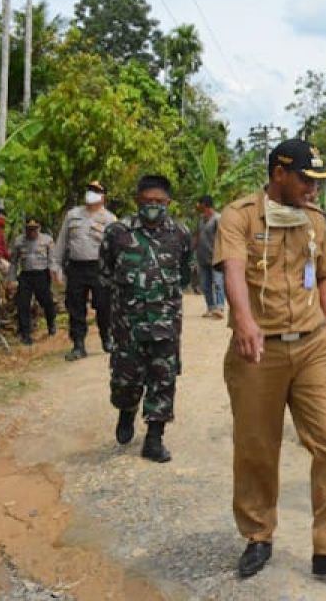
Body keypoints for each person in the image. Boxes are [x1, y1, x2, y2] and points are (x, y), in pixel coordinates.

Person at [217, 138, 326, 582]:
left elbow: (325, 272)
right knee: (256, 446)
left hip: (311, 346)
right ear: (279, 174)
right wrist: (244, 322)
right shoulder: (240, 215)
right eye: (307, 180)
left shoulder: (316, 221)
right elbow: (232, 272)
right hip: (258, 350)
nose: (314, 189)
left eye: (318, 182)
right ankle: (258, 535)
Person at [99, 175, 193, 463]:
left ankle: (154, 438)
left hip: (165, 326)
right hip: (128, 327)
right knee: (124, 384)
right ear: (137, 201)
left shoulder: (180, 234)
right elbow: (104, 275)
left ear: (168, 203)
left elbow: (185, 276)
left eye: (159, 202)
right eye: (147, 201)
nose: (153, 206)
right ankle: (126, 412)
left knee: (162, 380)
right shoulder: (117, 233)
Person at [53, 181, 117, 360]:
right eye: (89, 190)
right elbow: (61, 242)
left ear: (103, 196)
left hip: (99, 267)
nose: (91, 194)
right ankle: (78, 344)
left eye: (96, 191)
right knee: (75, 306)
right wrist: (55, 266)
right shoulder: (72, 215)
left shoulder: (110, 219)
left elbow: (115, 248)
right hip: (76, 267)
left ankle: (106, 338)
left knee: (104, 305)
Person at [6, 217, 59, 345]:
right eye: (29, 229)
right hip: (26, 276)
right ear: (25, 229)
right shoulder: (19, 241)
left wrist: (54, 273)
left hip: (42, 274)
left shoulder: (47, 240)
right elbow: (13, 262)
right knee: (22, 303)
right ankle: (25, 334)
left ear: (39, 228)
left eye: (34, 229)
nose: (32, 232)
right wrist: (11, 279)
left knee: (47, 302)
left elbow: (52, 259)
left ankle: (51, 323)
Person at [193, 195, 225, 319]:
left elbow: (223, 237)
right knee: (205, 285)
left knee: (218, 283)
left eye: (199, 203)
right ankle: (211, 308)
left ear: (205, 204)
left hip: (216, 257)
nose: (197, 206)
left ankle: (220, 307)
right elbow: (196, 235)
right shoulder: (201, 219)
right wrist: (191, 250)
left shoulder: (217, 219)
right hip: (202, 257)